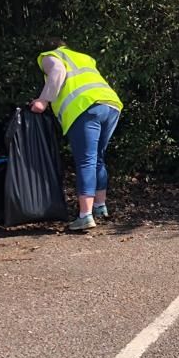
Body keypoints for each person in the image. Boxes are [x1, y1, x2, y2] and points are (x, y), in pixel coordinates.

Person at [30, 37, 123, 232]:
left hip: (84, 108)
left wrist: (43, 101)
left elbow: (57, 71)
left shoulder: (49, 56)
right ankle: (100, 207)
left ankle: (85, 215)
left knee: (86, 160)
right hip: (111, 104)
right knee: (98, 158)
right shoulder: (84, 57)